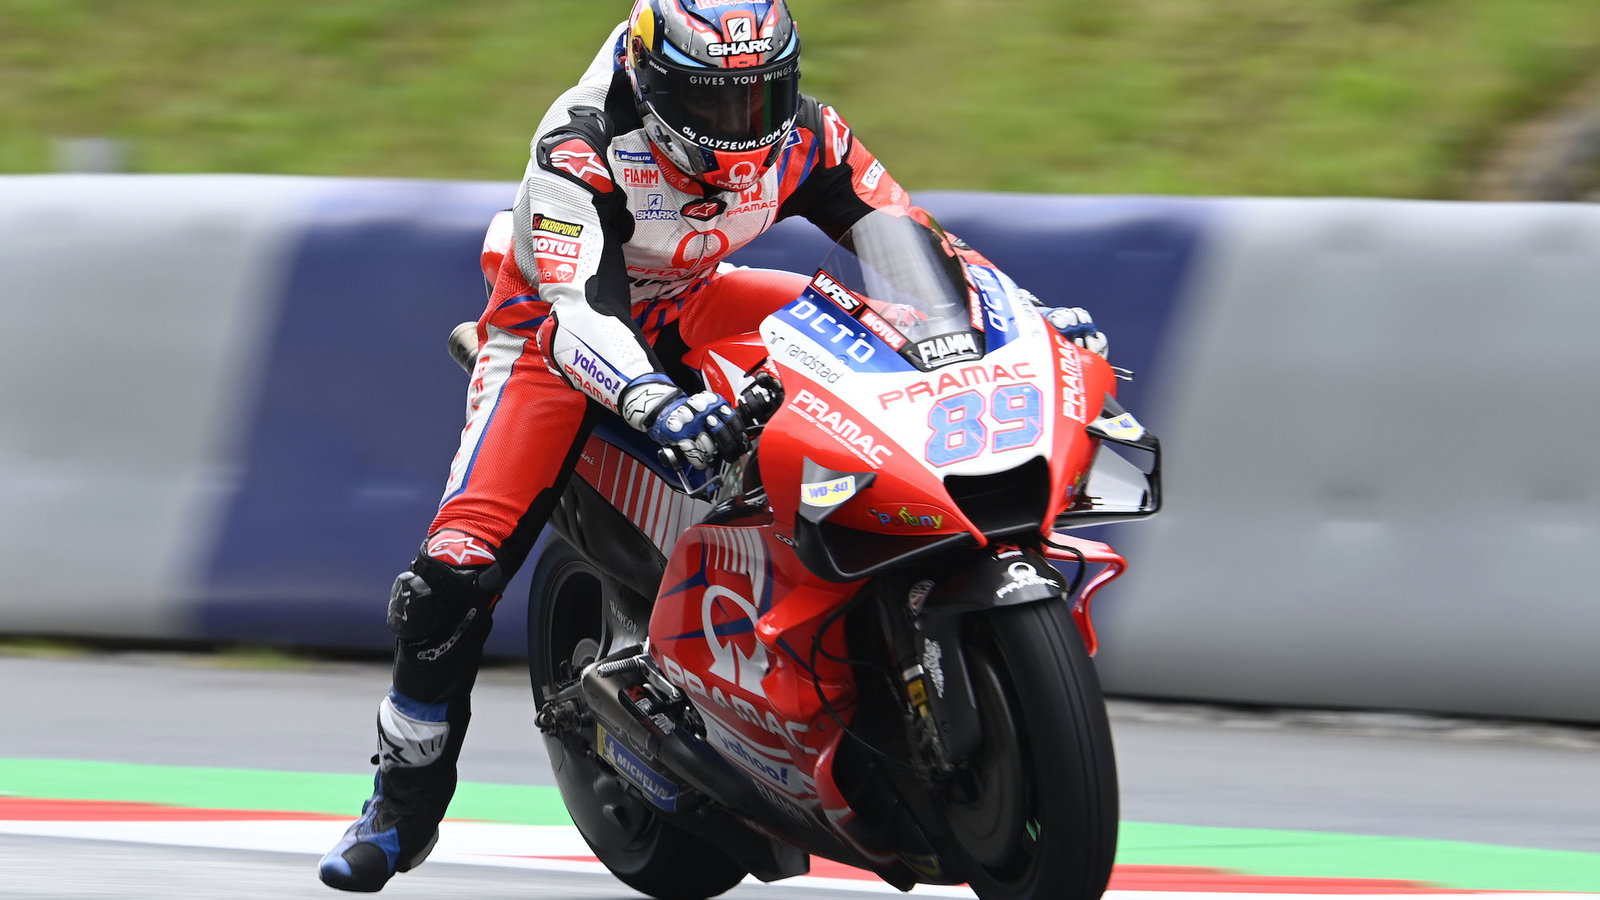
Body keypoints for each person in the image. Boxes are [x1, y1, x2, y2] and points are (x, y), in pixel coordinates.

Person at [317, 0, 1107, 891]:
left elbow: (908, 240)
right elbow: (583, 314)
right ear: (654, 89)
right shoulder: (580, 149)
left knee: (877, 337)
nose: (745, 127)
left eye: (762, 98)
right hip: (551, 335)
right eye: (716, 103)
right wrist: (655, 403)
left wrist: (1011, 322)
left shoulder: (809, 135)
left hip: (696, 298)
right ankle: (402, 802)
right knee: (451, 573)